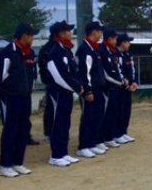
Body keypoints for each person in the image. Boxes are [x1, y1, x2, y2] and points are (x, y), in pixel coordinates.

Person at [0, 23, 39, 177]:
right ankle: (5, 165)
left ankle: (18, 162)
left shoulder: (30, 53)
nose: (33, 38)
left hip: (25, 95)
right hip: (10, 97)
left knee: (23, 128)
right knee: (10, 130)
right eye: (31, 35)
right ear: (24, 36)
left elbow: (32, 73)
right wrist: (1, 93)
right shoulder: (7, 53)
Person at [47, 21, 84, 166]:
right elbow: (59, 77)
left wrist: (78, 85)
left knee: (65, 123)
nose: (71, 33)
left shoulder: (67, 51)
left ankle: (63, 152)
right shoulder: (55, 52)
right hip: (58, 93)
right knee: (58, 123)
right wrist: (76, 87)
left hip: (67, 93)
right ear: (61, 34)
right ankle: (56, 155)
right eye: (68, 30)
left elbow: (74, 72)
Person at [76, 21, 108, 157]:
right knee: (88, 118)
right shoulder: (85, 49)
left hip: (99, 89)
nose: (101, 34)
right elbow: (85, 72)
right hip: (90, 90)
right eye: (100, 31)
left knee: (97, 117)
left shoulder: (95, 49)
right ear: (94, 32)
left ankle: (92, 143)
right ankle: (83, 146)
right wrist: (88, 90)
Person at [100, 28, 126, 148]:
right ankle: (103, 138)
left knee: (114, 114)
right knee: (107, 114)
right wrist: (121, 82)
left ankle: (110, 136)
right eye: (115, 38)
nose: (116, 40)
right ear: (109, 39)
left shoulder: (112, 51)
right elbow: (106, 73)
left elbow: (117, 69)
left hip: (116, 87)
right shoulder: (102, 51)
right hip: (109, 88)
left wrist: (122, 80)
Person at [38, 24, 58, 143]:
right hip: (52, 83)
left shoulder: (62, 47)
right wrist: (49, 79)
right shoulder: (47, 49)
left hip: (63, 84)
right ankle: (48, 132)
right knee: (51, 108)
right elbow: (44, 68)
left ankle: (56, 131)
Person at [116, 33, 138, 141]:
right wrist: (125, 86)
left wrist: (134, 82)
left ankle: (124, 132)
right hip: (120, 89)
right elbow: (118, 72)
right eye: (128, 42)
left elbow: (133, 70)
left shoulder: (129, 55)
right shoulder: (117, 55)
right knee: (119, 111)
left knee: (126, 111)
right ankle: (117, 134)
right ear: (122, 43)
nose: (129, 44)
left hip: (129, 89)